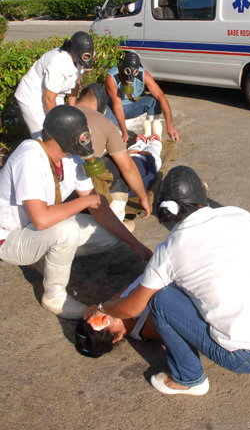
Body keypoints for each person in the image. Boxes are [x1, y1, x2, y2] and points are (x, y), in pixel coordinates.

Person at [84, 166, 250, 396]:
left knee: (162, 299)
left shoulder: (169, 251)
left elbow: (134, 307)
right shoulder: (239, 214)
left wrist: (104, 307)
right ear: (201, 196)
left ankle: (189, 379)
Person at [0, 105, 152, 320]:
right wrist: (88, 201)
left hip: (34, 230)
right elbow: (42, 220)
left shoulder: (71, 157)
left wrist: (135, 244)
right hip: (8, 236)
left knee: (111, 236)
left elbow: (99, 208)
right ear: (60, 136)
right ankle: (54, 296)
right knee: (66, 231)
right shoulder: (30, 158)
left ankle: (45, 256)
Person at [75, 83, 152, 220]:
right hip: (86, 189)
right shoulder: (104, 123)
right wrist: (143, 197)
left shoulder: (56, 116)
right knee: (116, 166)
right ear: (100, 104)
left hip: (58, 188)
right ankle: (116, 219)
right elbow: (128, 168)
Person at [15, 31, 95, 139]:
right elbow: (48, 98)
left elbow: (76, 83)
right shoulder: (58, 63)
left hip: (55, 94)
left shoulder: (79, 58)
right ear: (75, 51)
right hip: (33, 97)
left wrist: (72, 109)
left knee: (63, 132)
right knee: (46, 136)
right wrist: (54, 126)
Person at [76, 274, 160, 357]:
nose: (106, 315)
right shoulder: (149, 328)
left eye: (96, 315)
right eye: (104, 322)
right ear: (117, 338)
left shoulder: (111, 305)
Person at [105, 50, 179, 143]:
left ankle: (152, 134)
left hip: (133, 106)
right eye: (127, 71)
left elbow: (161, 97)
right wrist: (124, 132)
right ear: (122, 67)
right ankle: (119, 131)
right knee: (107, 129)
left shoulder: (143, 74)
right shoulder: (112, 76)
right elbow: (117, 106)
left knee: (155, 100)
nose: (131, 75)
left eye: (135, 71)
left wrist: (170, 125)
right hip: (114, 109)